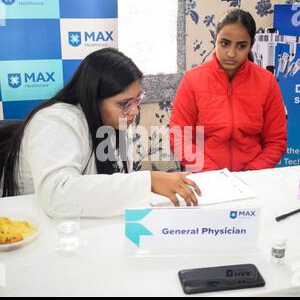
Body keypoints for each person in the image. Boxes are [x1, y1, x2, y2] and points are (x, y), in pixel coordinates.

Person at [0, 48, 201, 216]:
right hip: (31, 225)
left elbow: (115, 181)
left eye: (137, 99)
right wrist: (149, 180)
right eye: (124, 103)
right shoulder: (54, 121)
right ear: (93, 97)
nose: (134, 110)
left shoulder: (115, 123)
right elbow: (57, 195)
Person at [170, 9, 287, 173]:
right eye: (224, 43)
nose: (231, 53)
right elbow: (179, 137)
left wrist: (252, 172)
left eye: (241, 46)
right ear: (215, 40)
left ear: (251, 45)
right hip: (205, 176)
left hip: (252, 177)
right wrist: (211, 173)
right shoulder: (192, 80)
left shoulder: (267, 82)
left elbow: (276, 141)